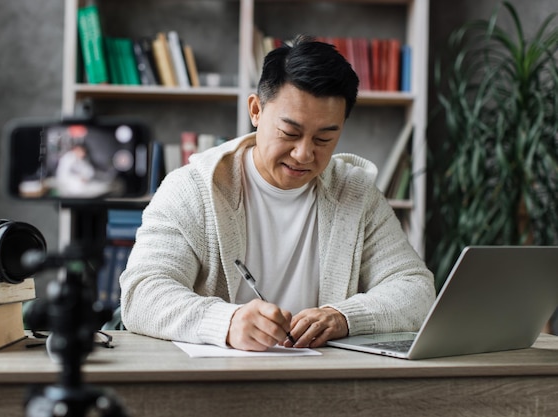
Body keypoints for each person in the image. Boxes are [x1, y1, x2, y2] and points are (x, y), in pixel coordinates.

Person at [119, 35, 435, 351]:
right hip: (215, 385)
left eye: (324, 139)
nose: (303, 154)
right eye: (290, 133)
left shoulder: (355, 193)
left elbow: (416, 290)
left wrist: (342, 317)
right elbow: (142, 294)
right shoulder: (192, 189)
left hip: (324, 381)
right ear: (256, 110)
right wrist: (227, 322)